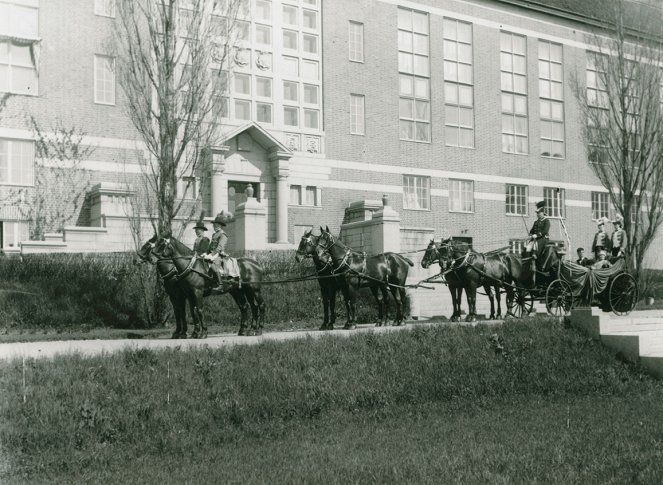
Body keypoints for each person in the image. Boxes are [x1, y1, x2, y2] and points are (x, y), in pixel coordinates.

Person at [203, 211, 237, 291]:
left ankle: (220, 284)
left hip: (218, 254)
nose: (215, 226)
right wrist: (206, 253)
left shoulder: (223, 235)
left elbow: (220, 247)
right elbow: (211, 246)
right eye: (214, 224)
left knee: (213, 266)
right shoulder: (214, 234)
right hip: (212, 253)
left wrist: (212, 254)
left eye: (217, 224)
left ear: (221, 225)